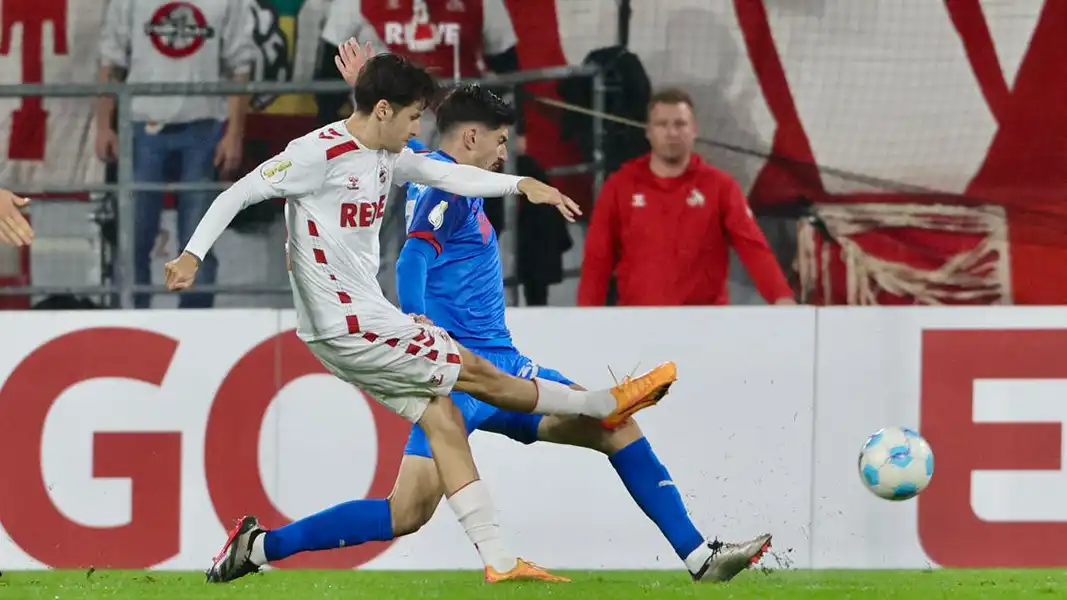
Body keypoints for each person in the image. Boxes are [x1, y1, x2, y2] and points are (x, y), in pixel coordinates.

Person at [164, 44, 676, 584]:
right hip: (351, 322)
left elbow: (454, 176)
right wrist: (193, 254)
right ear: (384, 110)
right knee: (475, 371)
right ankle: (601, 402)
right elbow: (240, 192)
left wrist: (521, 185)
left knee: (437, 429)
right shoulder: (317, 154)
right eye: (411, 116)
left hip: (353, 322)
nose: (417, 130)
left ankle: (268, 548)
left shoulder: (392, 154)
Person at [97, 0, 258, 309]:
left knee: (198, 241)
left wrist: (234, 134)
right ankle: (130, 323)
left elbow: (241, 67)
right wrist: (104, 125)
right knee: (134, 236)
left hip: (204, 126)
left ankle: (194, 327)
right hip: (142, 126)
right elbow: (110, 59)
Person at [578, 88, 796, 307]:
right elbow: (598, 259)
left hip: (706, 324)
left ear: (694, 130)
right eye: (662, 124)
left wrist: (781, 297)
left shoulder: (721, 187)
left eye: (680, 124)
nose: (672, 132)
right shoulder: (619, 186)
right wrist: (585, 315)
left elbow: (754, 249)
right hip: (639, 322)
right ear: (648, 131)